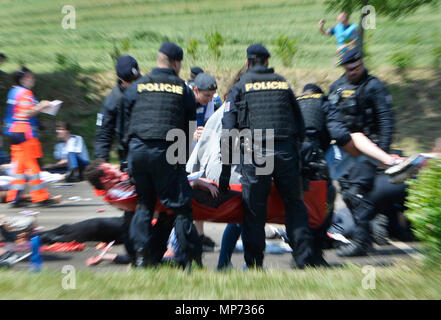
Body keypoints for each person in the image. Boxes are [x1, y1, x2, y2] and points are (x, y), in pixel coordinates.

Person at [219, 44, 315, 269]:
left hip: (256, 151)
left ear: (247, 63)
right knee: (294, 205)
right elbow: (300, 125)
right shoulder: (282, 83)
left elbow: (228, 129)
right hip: (285, 150)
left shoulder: (240, 86)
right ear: (267, 63)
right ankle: (303, 260)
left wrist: (225, 172)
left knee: (254, 210)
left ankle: (254, 265)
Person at [122, 42, 202, 269]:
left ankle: (140, 257)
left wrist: (126, 159)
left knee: (145, 206)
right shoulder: (182, 88)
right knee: (182, 207)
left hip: (138, 152)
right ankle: (190, 259)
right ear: (176, 63)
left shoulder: (138, 86)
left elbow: (124, 121)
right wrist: (182, 161)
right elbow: (188, 128)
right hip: (166, 152)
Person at [328, 48, 395, 256]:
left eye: (356, 68)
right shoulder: (337, 87)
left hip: (370, 148)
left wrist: (381, 153)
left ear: (362, 64)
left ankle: (362, 242)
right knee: (348, 193)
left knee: (358, 192)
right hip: (345, 149)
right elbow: (330, 117)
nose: (352, 72)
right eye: (348, 69)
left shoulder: (374, 86)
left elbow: (386, 120)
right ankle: (369, 230)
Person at [94, 55, 141, 263]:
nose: (134, 83)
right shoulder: (113, 100)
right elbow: (103, 134)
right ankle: (136, 253)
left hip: (152, 154)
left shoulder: (146, 87)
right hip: (129, 159)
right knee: (133, 209)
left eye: (136, 77)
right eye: (129, 81)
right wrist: (101, 163)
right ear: (121, 80)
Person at [4, 67, 59, 207]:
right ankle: (40, 197)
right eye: (30, 77)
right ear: (23, 79)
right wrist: (42, 106)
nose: (33, 79)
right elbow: (27, 113)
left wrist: (40, 106)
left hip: (14, 132)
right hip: (25, 133)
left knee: (19, 168)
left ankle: (14, 197)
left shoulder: (13, 91)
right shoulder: (25, 93)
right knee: (33, 166)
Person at [190, 72, 221, 251]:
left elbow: (210, 125)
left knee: (197, 192)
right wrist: (191, 136)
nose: (210, 100)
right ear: (195, 90)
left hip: (195, 151)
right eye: (206, 96)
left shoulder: (209, 104)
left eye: (212, 96)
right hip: (178, 147)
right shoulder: (184, 101)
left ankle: (199, 234)